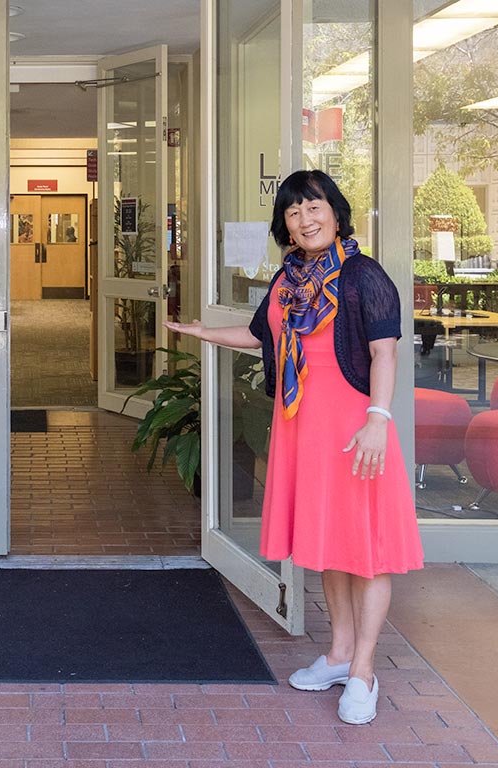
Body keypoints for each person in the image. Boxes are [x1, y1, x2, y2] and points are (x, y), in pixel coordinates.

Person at [164, 170, 423, 725]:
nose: (306, 219)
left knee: (368, 552)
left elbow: (384, 353)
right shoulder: (289, 281)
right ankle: (338, 654)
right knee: (330, 546)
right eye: (293, 212)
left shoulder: (362, 275)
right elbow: (263, 336)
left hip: (356, 432)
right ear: (285, 225)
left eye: (314, 207)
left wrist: (379, 420)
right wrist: (201, 332)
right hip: (303, 429)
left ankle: (364, 671)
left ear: (336, 211)